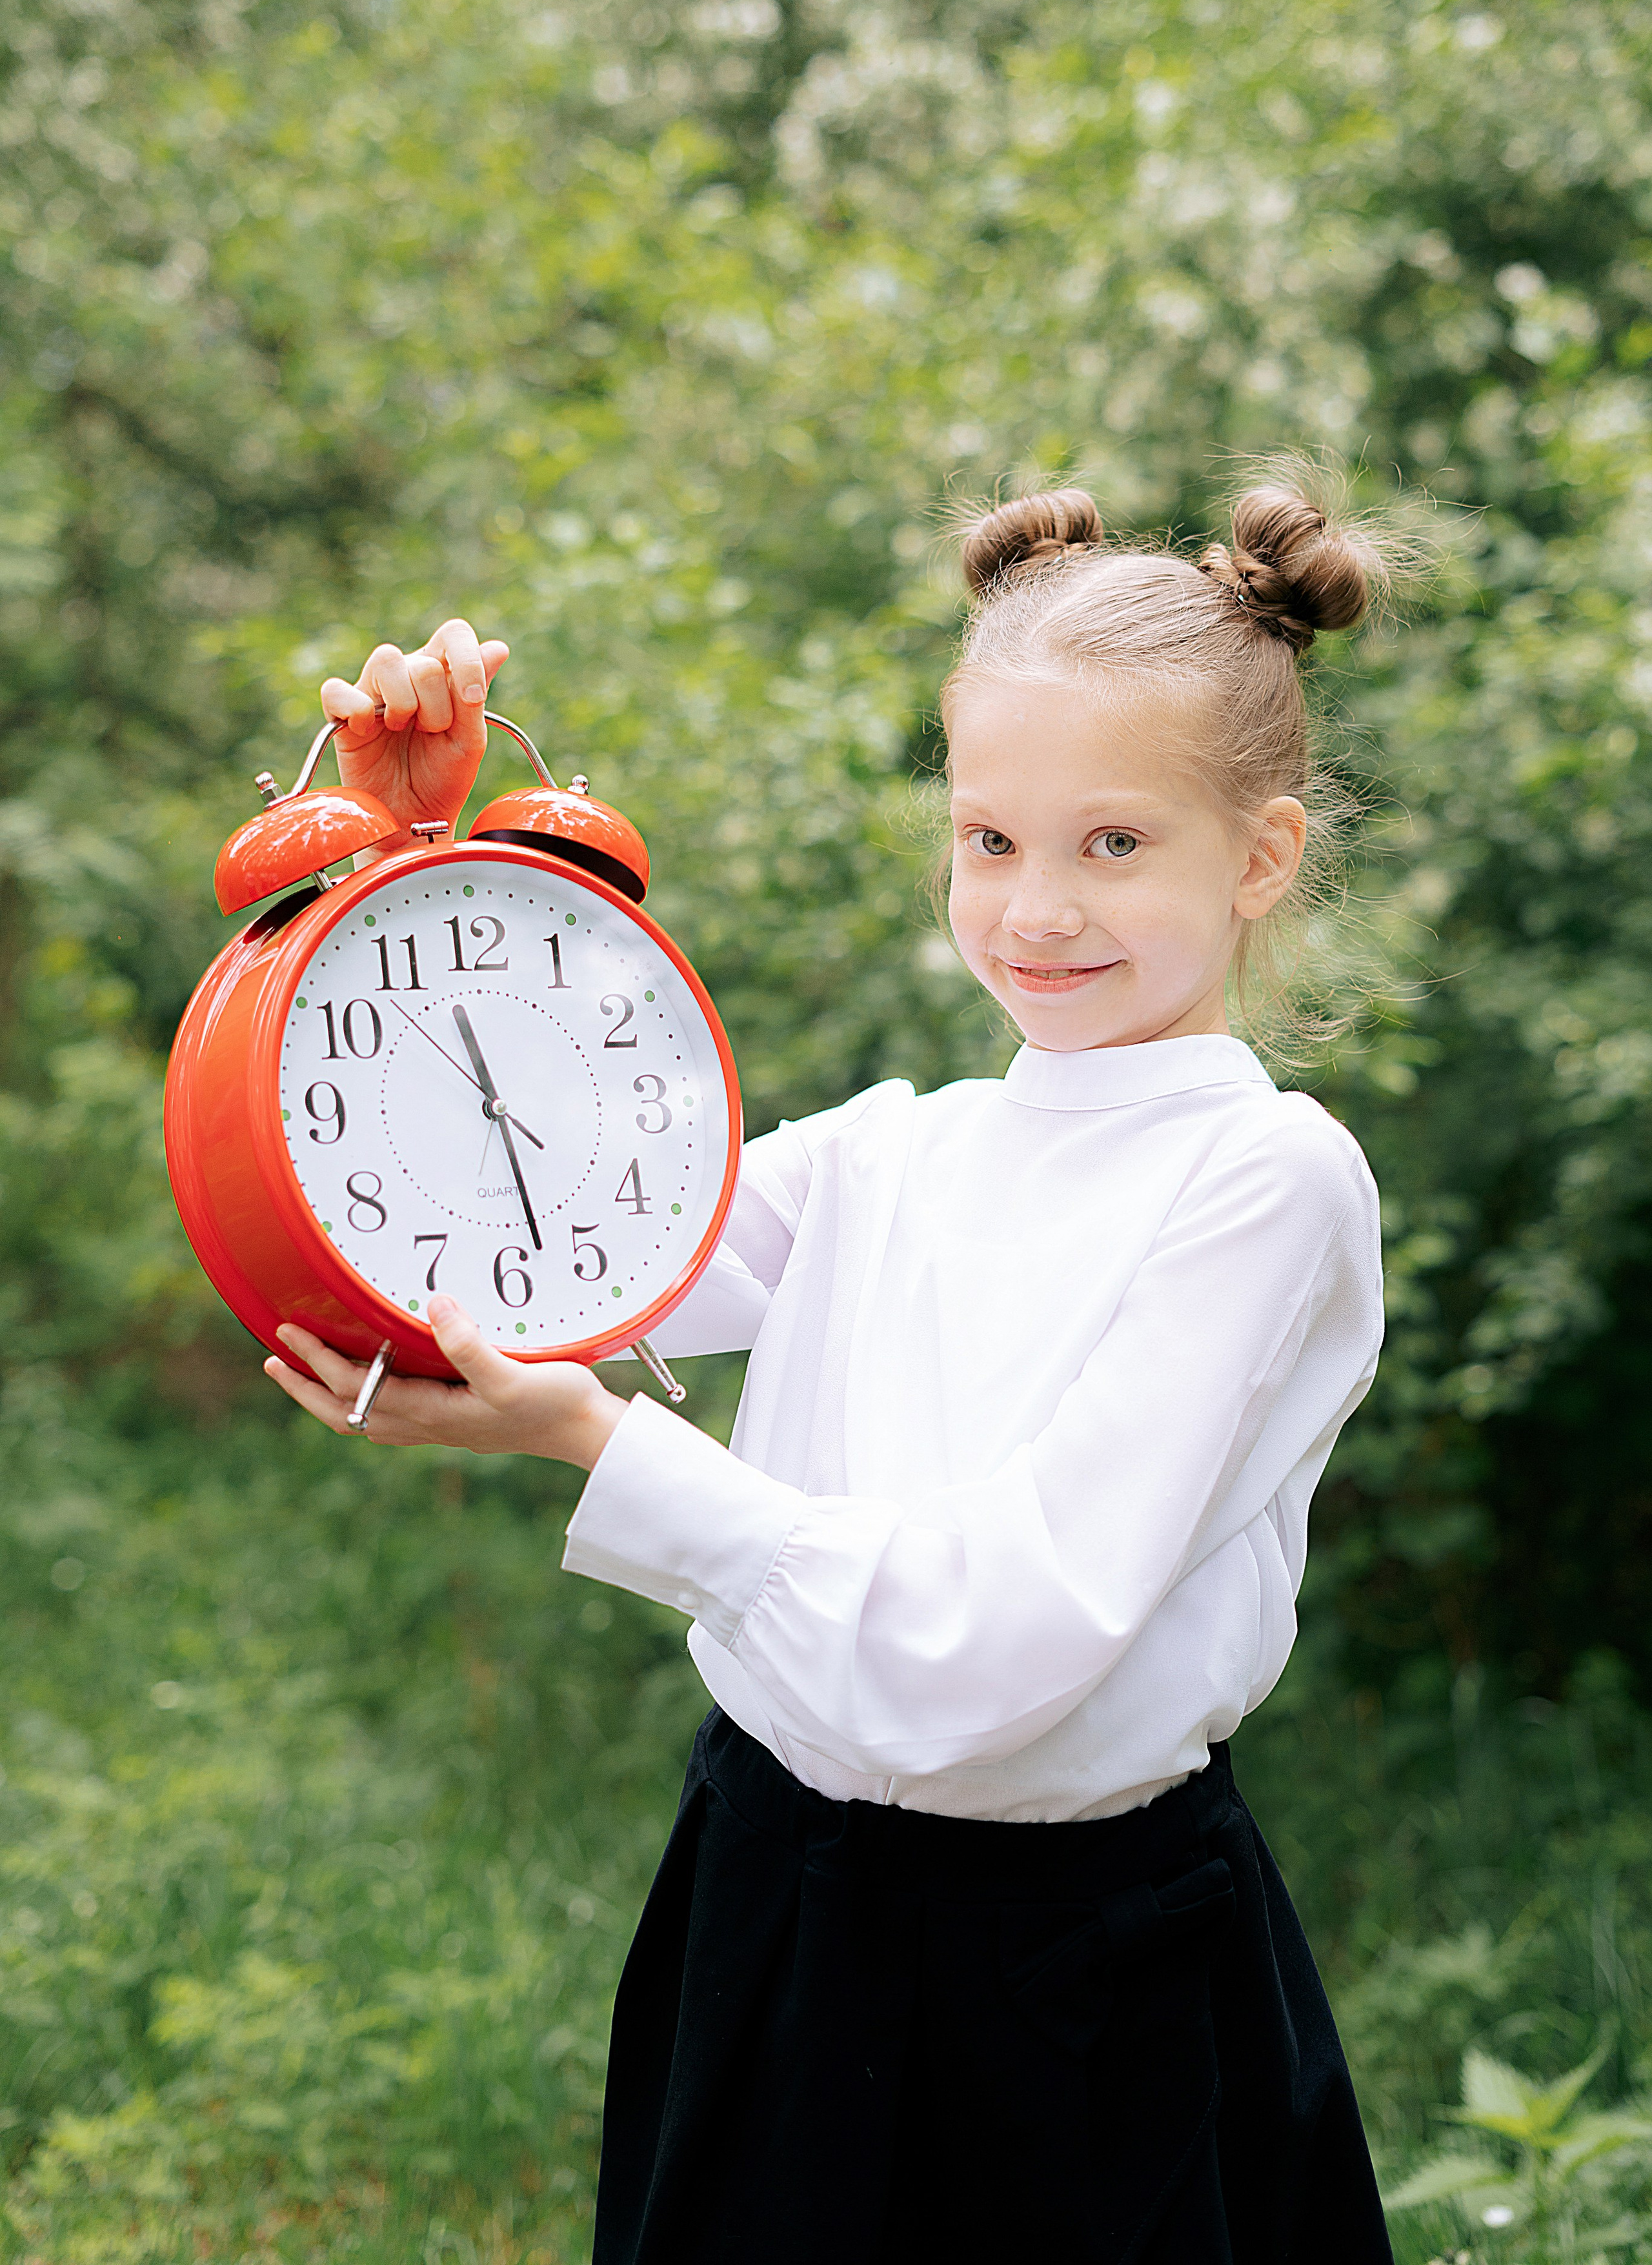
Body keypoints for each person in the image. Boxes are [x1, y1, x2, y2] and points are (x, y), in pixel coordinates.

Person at [267, 474, 1396, 2263]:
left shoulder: (1261, 1181)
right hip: (775, 1896)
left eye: (1115, 844)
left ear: (1258, 857)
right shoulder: (897, 1149)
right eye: (989, 839)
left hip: (1079, 1966)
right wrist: (407, 863)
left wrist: (604, 1452)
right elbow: (509, 1220)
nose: (1036, 909)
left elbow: (1001, 1643)